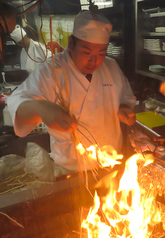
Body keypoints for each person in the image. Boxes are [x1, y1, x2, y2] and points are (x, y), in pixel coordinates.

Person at [8, 11, 136, 172]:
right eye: (86, 52)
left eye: (101, 53)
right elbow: (16, 104)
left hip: (111, 163)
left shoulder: (111, 67)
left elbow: (126, 97)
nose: (94, 61)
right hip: (70, 169)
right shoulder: (51, 70)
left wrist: (124, 108)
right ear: (71, 43)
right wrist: (40, 108)